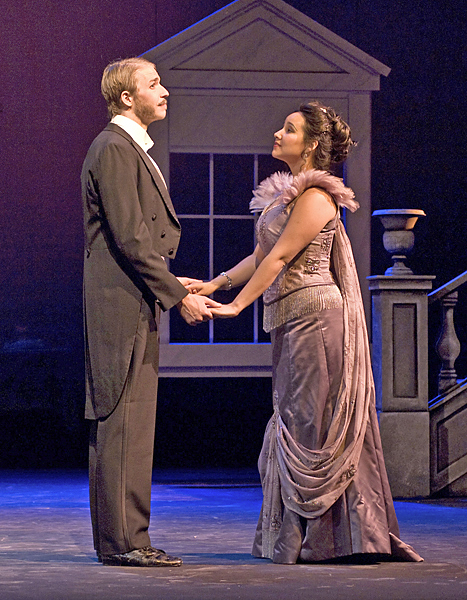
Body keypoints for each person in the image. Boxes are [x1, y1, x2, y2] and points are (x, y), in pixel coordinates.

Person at [187, 101, 423, 564]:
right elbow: (263, 256)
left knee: (311, 420)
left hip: (318, 319)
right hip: (294, 318)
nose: (277, 133)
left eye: (289, 129)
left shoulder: (316, 197)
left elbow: (278, 260)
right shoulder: (289, 198)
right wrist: (217, 283)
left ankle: (332, 537)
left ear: (312, 144)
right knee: (299, 417)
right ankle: (318, 536)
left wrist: (238, 305)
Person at [81, 57, 219, 567]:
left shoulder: (127, 148)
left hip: (135, 296)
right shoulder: (115, 148)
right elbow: (130, 237)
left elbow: (137, 242)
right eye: (154, 84)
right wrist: (178, 295)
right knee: (122, 421)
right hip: (121, 306)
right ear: (126, 97)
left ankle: (129, 539)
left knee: (135, 424)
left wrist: (167, 279)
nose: (165, 91)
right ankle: (122, 543)